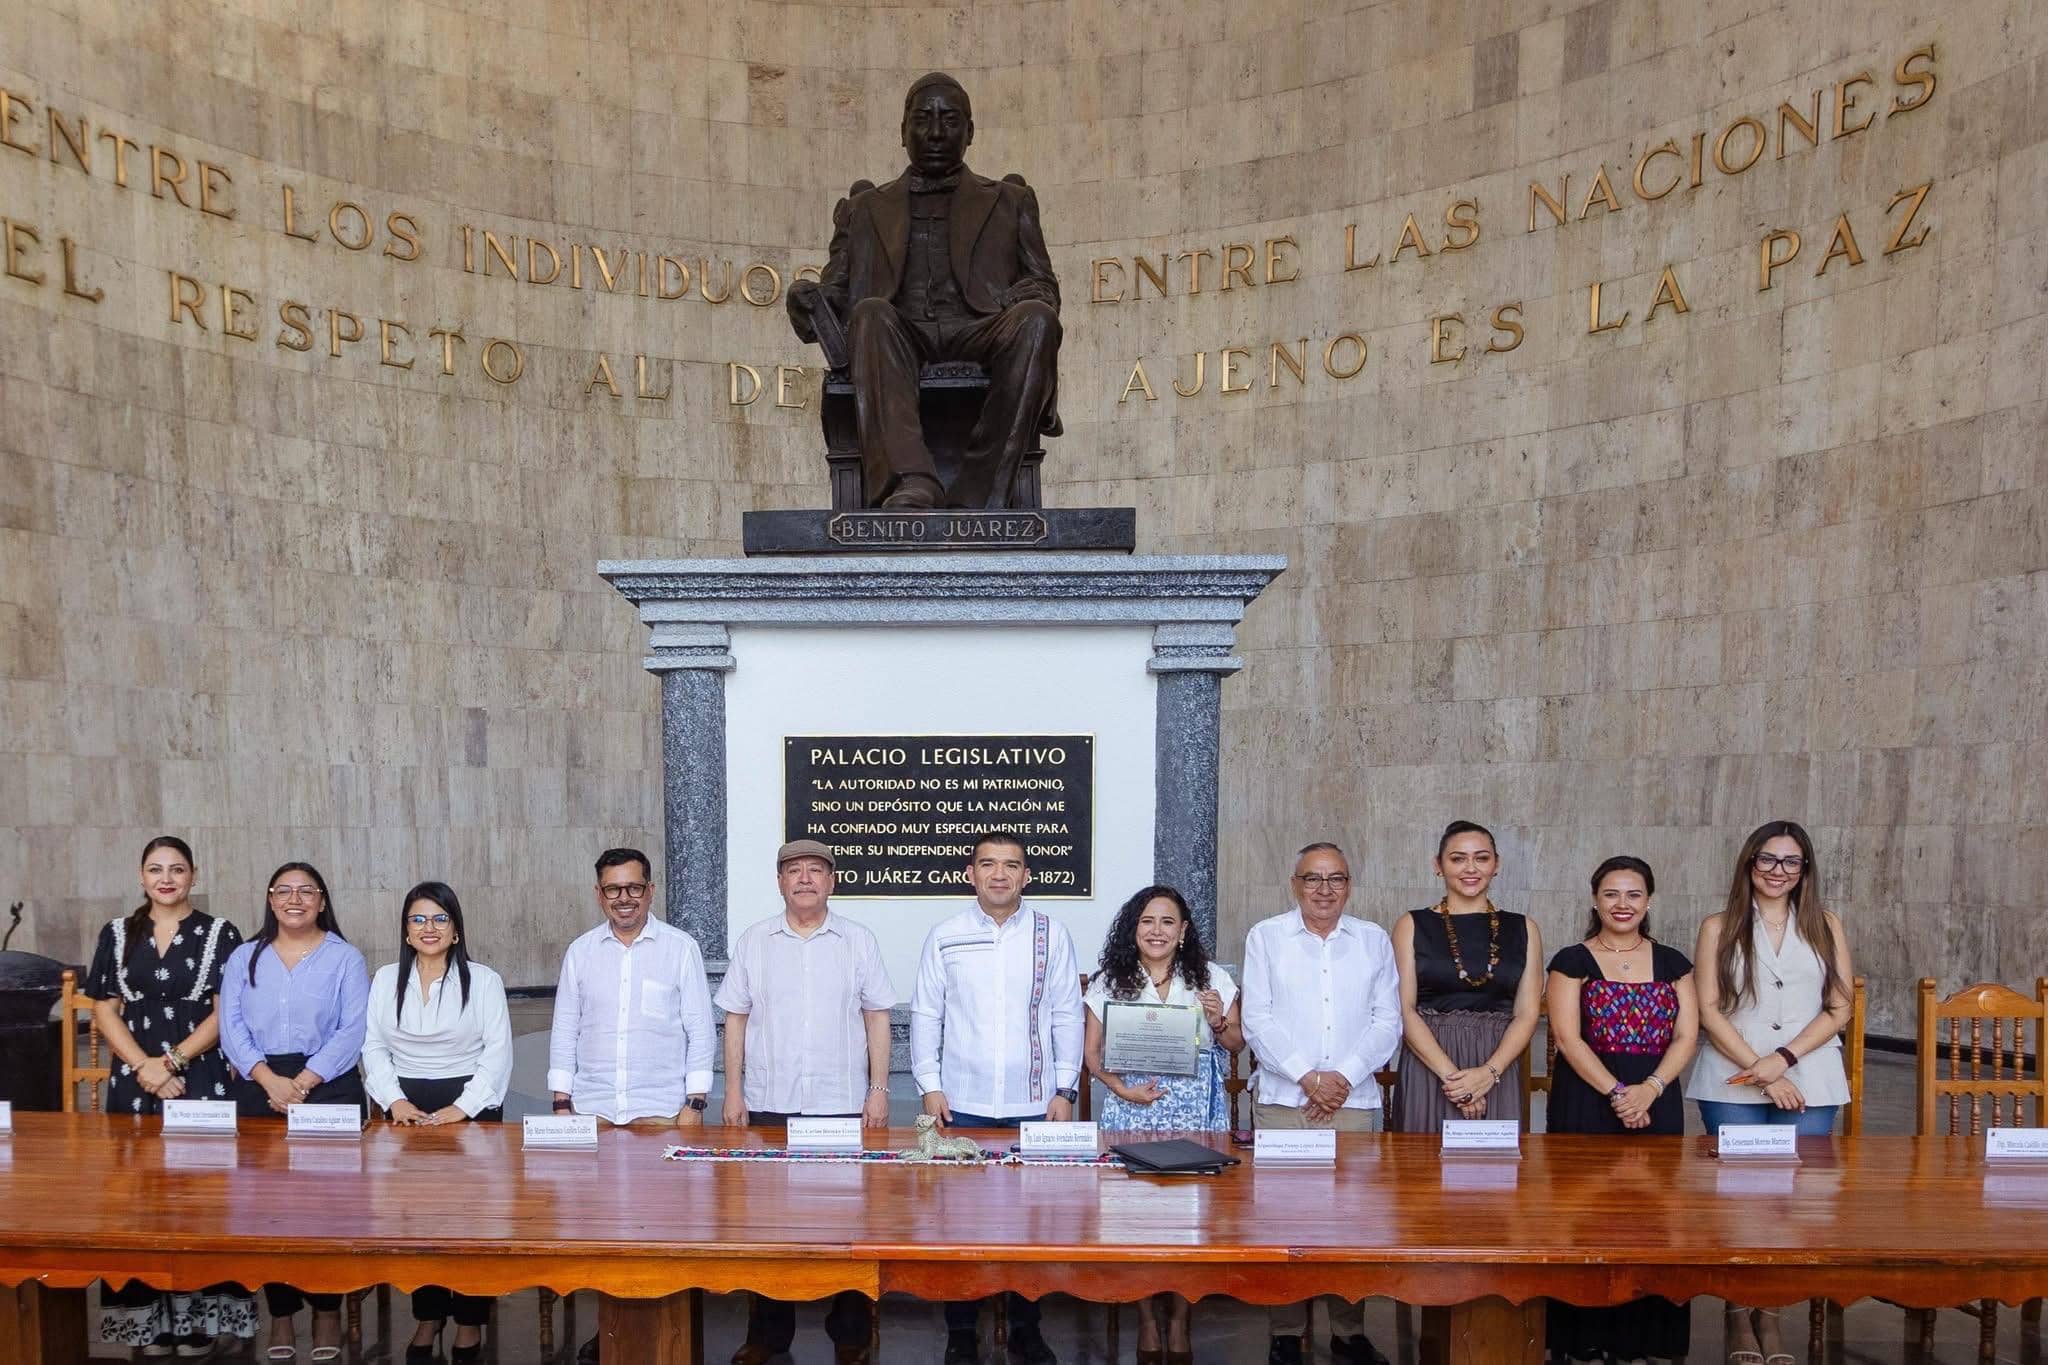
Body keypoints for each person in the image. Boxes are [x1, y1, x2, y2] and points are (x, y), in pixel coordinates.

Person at [785, 72, 1061, 510]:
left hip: (982, 328)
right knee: (870, 312)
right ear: (902, 131)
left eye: (950, 120)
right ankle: (912, 481)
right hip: (899, 334)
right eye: (922, 119)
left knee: (1037, 321)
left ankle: (979, 491)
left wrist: (1020, 298)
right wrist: (804, 297)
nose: (935, 132)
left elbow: (1043, 284)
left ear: (970, 132)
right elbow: (835, 292)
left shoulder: (1011, 201)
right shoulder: (865, 208)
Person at [716, 840, 894, 1365]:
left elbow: (877, 1015)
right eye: (794, 871)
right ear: (779, 882)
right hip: (772, 1103)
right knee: (769, 1227)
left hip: (841, 1105)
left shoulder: (857, 941)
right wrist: (732, 1090)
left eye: (816, 870)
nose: (805, 879)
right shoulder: (755, 941)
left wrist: (878, 1090)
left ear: (832, 881)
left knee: (849, 1228)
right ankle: (769, 1336)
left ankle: (851, 1336)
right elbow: (735, 1019)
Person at [910, 830, 1082, 1365]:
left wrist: (1065, 1086)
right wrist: (929, 1084)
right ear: (971, 873)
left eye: (1011, 865)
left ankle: (1026, 1329)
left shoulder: (1051, 933)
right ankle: (961, 1329)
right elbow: (926, 1013)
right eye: (989, 864)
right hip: (960, 1102)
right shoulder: (946, 934)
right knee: (956, 1224)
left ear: (1027, 876)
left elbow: (1065, 1012)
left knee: (1033, 1222)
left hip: (1033, 1102)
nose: (1000, 874)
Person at [84, 835, 258, 1357]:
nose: (166, 878)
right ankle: (146, 1322)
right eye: (156, 869)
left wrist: (174, 1061)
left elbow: (229, 1011)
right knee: (136, 1202)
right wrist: (145, 1066)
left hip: (199, 1075)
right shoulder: (116, 934)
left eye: (177, 869)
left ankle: (200, 1318)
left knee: (202, 1199)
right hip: (134, 1081)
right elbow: (105, 1009)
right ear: (141, 876)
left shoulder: (220, 932)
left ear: (193, 876)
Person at [1689, 821, 1854, 1365]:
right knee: (1739, 1200)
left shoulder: (1826, 925)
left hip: (1809, 1075)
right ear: (1748, 864)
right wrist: (1759, 1067)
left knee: (1795, 1203)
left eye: (1791, 862)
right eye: (1767, 860)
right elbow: (1709, 1008)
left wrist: (1781, 1061)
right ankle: (1739, 1316)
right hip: (1732, 1076)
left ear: (1805, 869)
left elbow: (1839, 1007)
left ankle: (1774, 1318)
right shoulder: (1719, 926)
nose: (1778, 872)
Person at [550, 849, 714, 1365]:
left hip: (660, 1113)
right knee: (600, 1235)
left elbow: (698, 1027)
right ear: (599, 894)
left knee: (662, 1230)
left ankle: (668, 1333)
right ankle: (612, 1332)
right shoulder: (581, 951)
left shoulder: (679, 948)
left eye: (634, 888)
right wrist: (562, 1101)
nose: (624, 898)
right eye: (613, 889)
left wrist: (694, 1102)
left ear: (650, 890)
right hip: (594, 1112)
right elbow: (565, 1028)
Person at [1240, 842, 1401, 1365]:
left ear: (1349, 885)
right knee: (1284, 1220)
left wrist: (1342, 1079)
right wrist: (1309, 1078)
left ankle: (1349, 1333)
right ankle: (1285, 1332)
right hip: (1285, 1099)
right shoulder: (1266, 937)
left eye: (1335, 879)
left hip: (1354, 1103)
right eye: (1313, 879)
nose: (1324, 890)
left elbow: (1387, 1021)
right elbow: (1257, 1020)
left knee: (1351, 1223)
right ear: (1295, 884)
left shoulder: (1373, 940)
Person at [1545, 855, 1699, 1363]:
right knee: (1583, 1219)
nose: (1622, 904)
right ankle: (1583, 1338)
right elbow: (1567, 1038)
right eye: (1612, 894)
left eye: (1633, 894)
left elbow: (1687, 1035)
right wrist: (1618, 1093)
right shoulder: (1572, 960)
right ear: (1595, 899)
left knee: (1654, 1220)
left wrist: (1649, 1089)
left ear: (1649, 901)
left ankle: (1648, 1340)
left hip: (1657, 1102)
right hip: (1586, 1101)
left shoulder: (1674, 963)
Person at [1083, 885, 1243, 1365]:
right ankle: (1148, 1323)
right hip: (1133, 1111)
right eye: (1147, 921)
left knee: (1189, 1223)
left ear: (1184, 930)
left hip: (1196, 1113)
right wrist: (1123, 1089)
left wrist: (1218, 1022)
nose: (1157, 931)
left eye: (1167, 922)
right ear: (1134, 929)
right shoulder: (1112, 979)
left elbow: (1235, 1045)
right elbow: (1092, 1056)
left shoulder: (1211, 977)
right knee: (1135, 1223)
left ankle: (1180, 1322)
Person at [218, 861, 371, 1362]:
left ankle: (327, 1310)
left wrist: (302, 1083)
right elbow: (231, 1024)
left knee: (329, 1209)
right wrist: (267, 1078)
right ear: (270, 899)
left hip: (326, 1085)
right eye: (283, 890)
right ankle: (280, 1312)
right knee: (266, 1211)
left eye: (307, 891)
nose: (295, 898)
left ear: (323, 901)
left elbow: (353, 1030)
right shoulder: (245, 956)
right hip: (259, 1085)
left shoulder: (345, 957)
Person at [361, 882, 513, 1365]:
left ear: (455, 929)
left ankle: (469, 1323)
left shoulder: (483, 980)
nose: (429, 928)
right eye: (418, 920)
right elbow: (373, 1048)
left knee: (471, 1224)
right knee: (416, 1221)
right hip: (406, 1110)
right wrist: (394, 1100)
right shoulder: (386, 979)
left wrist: (462, 1108)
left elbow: (497, 1052)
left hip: (471, 1109)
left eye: (440, 919)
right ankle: (428, 1316)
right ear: (406, 932)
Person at [1391, 821, 1543, 1130]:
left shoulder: (1524, 928)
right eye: (1458, 858)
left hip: (1497, 1064)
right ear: (1438, 865)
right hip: (1430, 1063)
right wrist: (1455, 1080)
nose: (1470, 868)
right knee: (1421, 1171)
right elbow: (1403, 1009)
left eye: (1482, 858)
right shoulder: (1411, 924)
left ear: (1496, 864)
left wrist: (1488, 1073)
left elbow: (1527, 1013)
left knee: (1495, 1172)